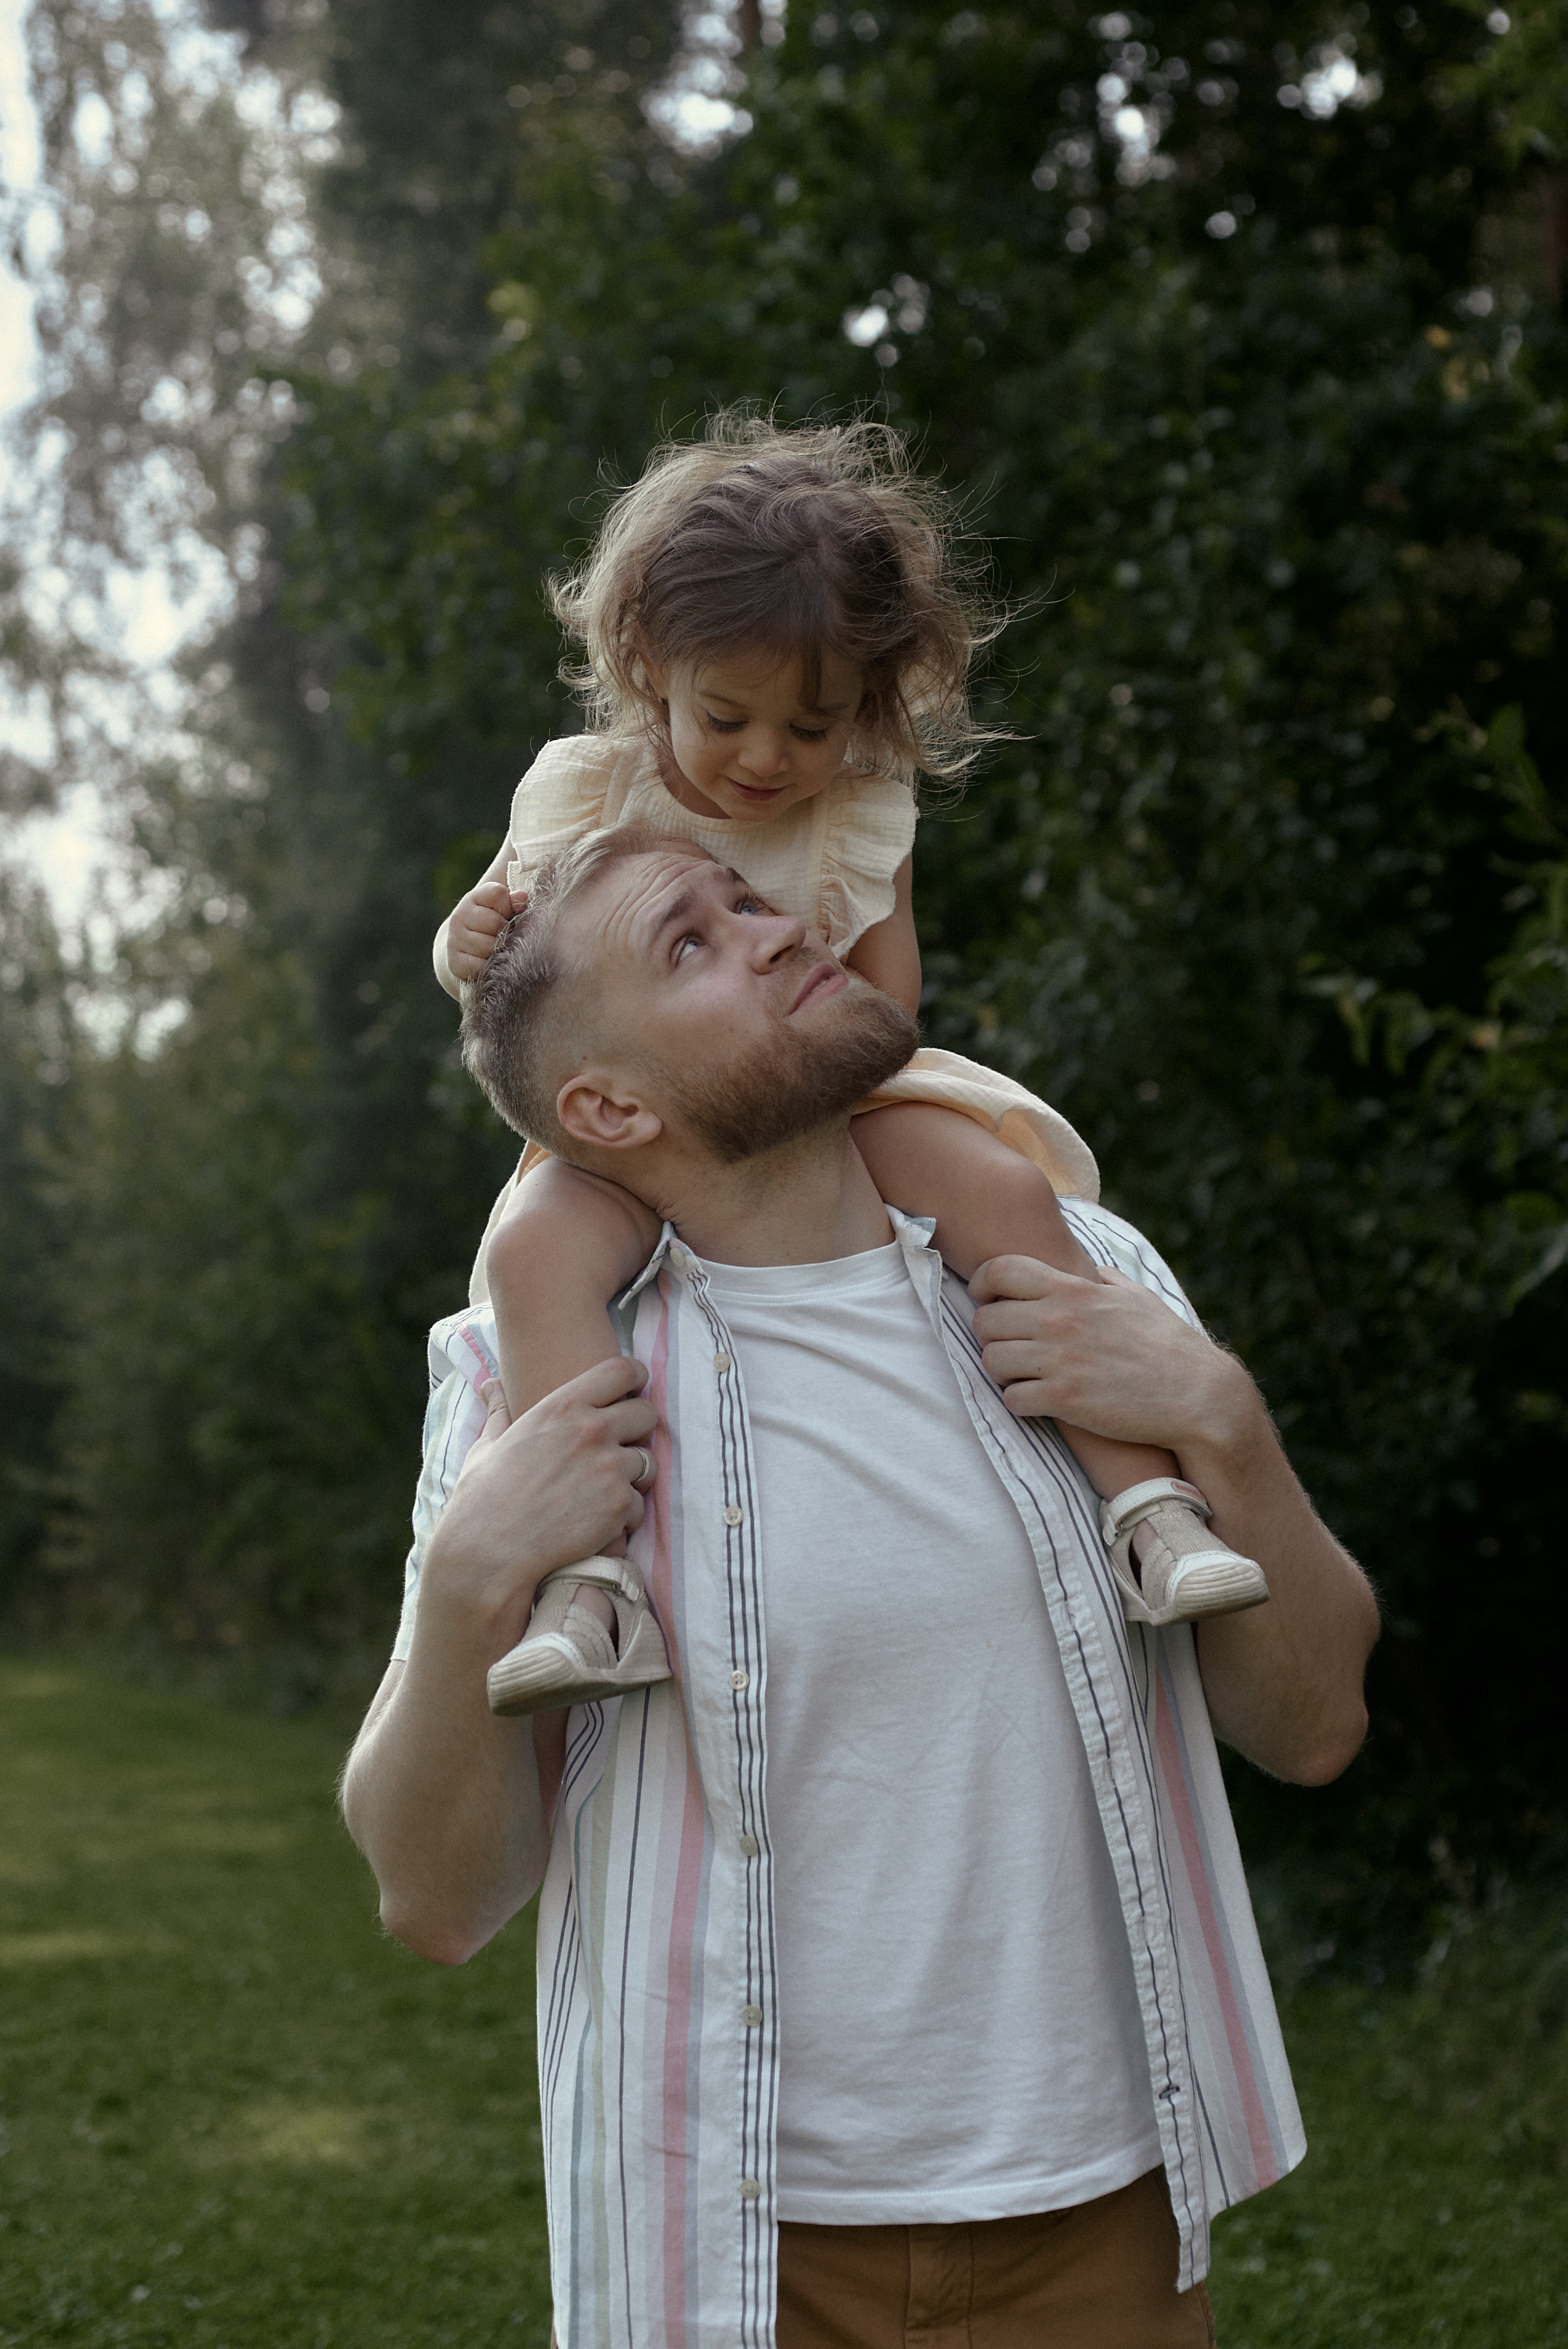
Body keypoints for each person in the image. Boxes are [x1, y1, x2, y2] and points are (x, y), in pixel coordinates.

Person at [343, 827, 1379, 2349]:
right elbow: (434, 1902)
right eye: (689, 943)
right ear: (608, 1106)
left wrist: (1226, 1422)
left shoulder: (1074, 1272)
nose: (771, 929)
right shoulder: (533, 1380)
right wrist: (462, 1591)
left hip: (1104, 2220)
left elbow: (1316, 1724)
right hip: (732, 2258)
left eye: (746, 899)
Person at [431, 413, 1267, 1716]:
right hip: (639, 1119)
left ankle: (1148, 1507)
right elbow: (501, 976)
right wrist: (464, 940)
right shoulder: (582, 794)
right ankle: (588, 1584)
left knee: (1001, 1191)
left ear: (867, 709)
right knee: (535, 1250)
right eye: (728, 717)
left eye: (812, 726)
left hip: (836, 1096)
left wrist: (794, 1004)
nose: (769, 759)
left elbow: (889, 1002)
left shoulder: (860, 814)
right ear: (650, 664)